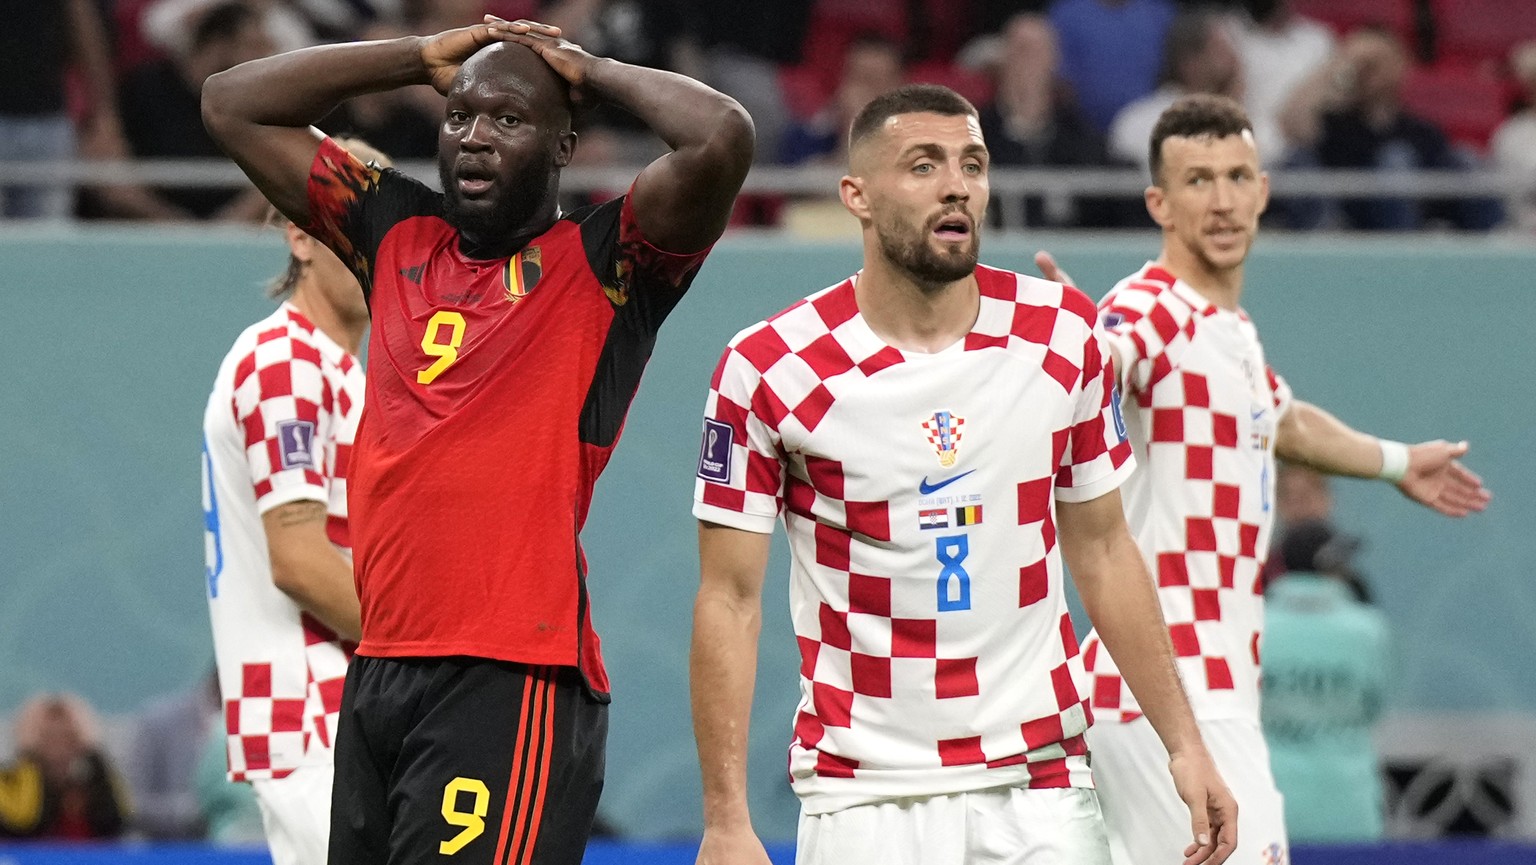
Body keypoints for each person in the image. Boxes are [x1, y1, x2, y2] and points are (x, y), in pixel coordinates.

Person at [201, 15, 753, 865]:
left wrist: (591, 67)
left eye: (508, 119)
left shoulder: (609, 265)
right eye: (459, 115)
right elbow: (231, 103)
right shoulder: (393, 233)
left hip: (510, 677)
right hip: (379, 673)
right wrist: (413, 58)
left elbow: (721, 135)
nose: (475, 137)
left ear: (564, 143)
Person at [689, 83, 1235, 865]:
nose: (956, 185)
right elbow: (729, 598)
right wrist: (726, 818)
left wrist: (1184, 745)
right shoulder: (771, 366)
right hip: (862, 798)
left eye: (972, 165)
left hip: (1040, 790)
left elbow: (1107, 552)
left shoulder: (1061, 337)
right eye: (923, 165)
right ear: (858, 196)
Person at [1035, 93, 1490, 865]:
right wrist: (1076, 349)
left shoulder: (1230, 332)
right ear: (1160, 203)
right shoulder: (1152, 308)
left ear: (1263, 190)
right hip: (1171, 696)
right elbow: (1106, 357)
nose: (1221, 199)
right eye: (1198, 180)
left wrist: (1393, 461)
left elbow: (1282, 419)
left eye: (1237, 175)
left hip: (1194, 696)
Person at [201, 136, 389, 865]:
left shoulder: (347, 376)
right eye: (353, 226)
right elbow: (301, 560)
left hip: (349, 711)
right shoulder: (285, 361)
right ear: (301, 234)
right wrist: (433, 657)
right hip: (313, 712)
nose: (373, 250)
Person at [1262, 520, 1390, 843]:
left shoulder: (1254, 623)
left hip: (1269, 802)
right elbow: (1377, 706)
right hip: (1349, 808)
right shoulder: (1369, 629)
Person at [0, 693, 128, 840]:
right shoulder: (8, 782)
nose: (58, 746)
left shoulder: (93, 785)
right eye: (47, 736)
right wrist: (30, 757)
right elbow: (26, 825)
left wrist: (93, 753)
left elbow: (116, 821)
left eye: (67, 736)